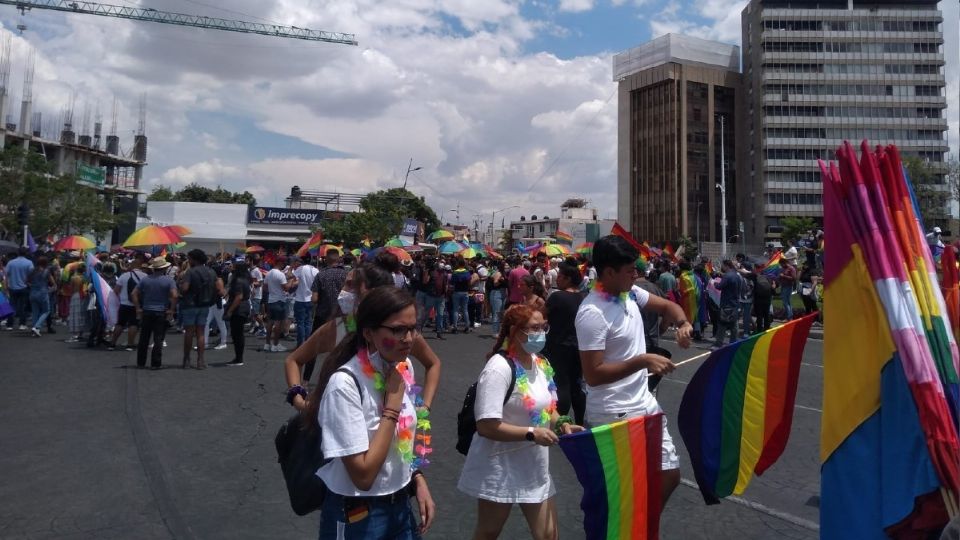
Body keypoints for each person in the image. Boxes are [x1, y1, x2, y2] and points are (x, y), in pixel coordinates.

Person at [575, 235, 692, 518]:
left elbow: (668, 307)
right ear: (609, 273)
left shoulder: (631, 294)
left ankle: (639, 526)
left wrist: (683, 323)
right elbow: (593, 374)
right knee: (620, 492)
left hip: (645, 403)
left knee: (669, 475)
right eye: (630, 270)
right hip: (614, 412)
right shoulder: (592, 313)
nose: (636, 275)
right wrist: (642, 361)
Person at [306, 286, 437, 539]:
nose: (409, 338)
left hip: (399, 504)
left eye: (413, 328)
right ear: (368, 333)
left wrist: (417, 478)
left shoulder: (402, 366)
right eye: (398, 330)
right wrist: (391, 409)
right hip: (359, 514)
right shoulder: (344, 384)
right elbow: (363, 476)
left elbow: (402, 439)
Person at [459, 304, 582, 540]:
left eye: (543, 327)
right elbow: (486, 425)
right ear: (515, 331)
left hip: (534, 465)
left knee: (548, 534)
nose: (541, 333)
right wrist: (530, 433)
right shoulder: (498, 368)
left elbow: (548, 409)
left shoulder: (541, 363)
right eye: (534, 328)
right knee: (488, 532)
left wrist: (562, 424)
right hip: (499, 466)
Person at [284, 263, 441, 411]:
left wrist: (425, 406)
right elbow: (294, 360)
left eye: (351, 285)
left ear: (374, 292)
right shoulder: (339, 328)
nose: (343, 290)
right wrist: (298, 400)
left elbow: (433, 363)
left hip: (395, 426)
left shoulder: (401, 332)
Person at [543, 262, 586, 425]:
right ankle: (580, 421)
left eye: (560, 276)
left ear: (568, 279)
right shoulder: (584, 297)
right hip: (579, 346)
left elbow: (542, 315)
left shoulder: (557, 297)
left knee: (561, 383)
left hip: (558, 344)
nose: (557, 279)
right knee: (577, 383)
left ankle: (561, 422)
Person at [132, 257, 178, 370]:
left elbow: (134, 293)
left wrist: (138, 307)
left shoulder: (145, 280)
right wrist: (171, 309)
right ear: (164, 268)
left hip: (147, 310)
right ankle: (156, 363)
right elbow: (175, 295)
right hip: (161, 311)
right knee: (158, 339)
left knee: (144, 338)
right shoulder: (169, 281)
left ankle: (141, 362)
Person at [179, 249, 218, 369]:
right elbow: (217, 287)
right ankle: (200, 360)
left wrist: (179, 284)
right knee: (201, 333)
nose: (188, 261)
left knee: (189, 333)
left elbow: (185, 289)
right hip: (205, 304)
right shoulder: (211, 272)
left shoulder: (190, 272)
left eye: (189, 259)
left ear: (194, 259)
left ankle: (186, 359)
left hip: (190, 304)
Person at [111, 253, 147, 351]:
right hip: (137, 305)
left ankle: (112, 343)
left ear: (131, 266)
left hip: (124, 303)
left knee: (120, 324)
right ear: (140, 266)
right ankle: (130, 344)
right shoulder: (145, 276)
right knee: (133, 324)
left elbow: (116, 290)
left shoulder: (124, 276)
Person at [224, 261, 251, 366]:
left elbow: (238, 297)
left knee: (237, 334)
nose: (231, 268)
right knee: (237, 334)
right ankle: (238, 358)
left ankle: (239, 359)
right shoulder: (245, 279)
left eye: (233, 267)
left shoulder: (238, 281)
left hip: (239, 309)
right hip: (243, 307)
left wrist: (230, 311)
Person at [263, 258, 291, 353]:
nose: (284, 264)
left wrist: (273, 291)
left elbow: (265, 287)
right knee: (278, 324)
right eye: (283, 262)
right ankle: (275, 344)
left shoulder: (269, 273)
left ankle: (267, 344)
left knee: (270, 323)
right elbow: (286, 288)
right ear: (279, 262)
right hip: (279, 300)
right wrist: (291, 280)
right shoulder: (280, 274)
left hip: (271, 300)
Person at [714, 260, 743, 348]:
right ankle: (733, 342)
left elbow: (719, 286)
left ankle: (719, 343)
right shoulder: (737, 275)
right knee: (734, 324)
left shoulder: (727, 276)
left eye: (723, 266)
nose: (722, 268)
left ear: (727, 266)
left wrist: (715, 283)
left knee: (722, 324)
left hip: (726, 303)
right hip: (735, 303)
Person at [4, 247, 34, 330]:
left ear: (18, 253)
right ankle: (22, 324)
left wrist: (6, 286)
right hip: (24, 287)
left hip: (12, 287)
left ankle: (9, 325)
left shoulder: (11, 262)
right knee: (22, 307)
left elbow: (6, 275)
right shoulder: (29, 263)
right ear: (26, 253)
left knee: (11, 306)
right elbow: (32, 274)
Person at [418, 257, 448, 339]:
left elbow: (446, 284)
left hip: (440, 296)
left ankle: (439, 332)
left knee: (440, 315)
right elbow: (425, 281)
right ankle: (419, 329)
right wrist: (426, 271)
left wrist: (445, 294)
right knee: (426, 313)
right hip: (431, 296)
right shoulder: (431, 272)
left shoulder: (444, 274)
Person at [201, 262, 229, 351]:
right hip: (212, 304)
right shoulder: (213, 279)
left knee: (220, 323)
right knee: (205, 322)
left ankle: (223, 342)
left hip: (217, 304)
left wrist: (212, 290)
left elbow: (222, 293)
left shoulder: (218, 280)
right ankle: (204, 343)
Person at [27, 255, 55, 337]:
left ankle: (35, 329)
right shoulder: (47, 271)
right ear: (46, 263)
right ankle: (37, 327)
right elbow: (53, 283)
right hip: (43, 293)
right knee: (46, 311)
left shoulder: (32, 271)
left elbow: (26, 281)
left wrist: (32, 286)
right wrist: (51, 290)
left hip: (33, 293)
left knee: (35, 312)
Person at [450, 256, 474, 333]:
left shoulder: (455, 272)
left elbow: (452, 283)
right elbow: (470, 283)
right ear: (464, 264)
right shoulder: (467, 273)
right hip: (465, 292)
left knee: (455, 310)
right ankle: (467, 326)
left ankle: (455, 327)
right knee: (465, 310)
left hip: (456, 292)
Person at [66, 263, 88, 343]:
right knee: (82, 314)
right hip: (83, 296)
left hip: (75, 295)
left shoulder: (73, 278)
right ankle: (81, 333)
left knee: (74, 314)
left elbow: (71, 288)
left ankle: (75, 334)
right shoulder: (84, 278)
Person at [488, 260, 508, 335]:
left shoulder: (505, 274)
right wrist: (501, 280)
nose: (507, 267)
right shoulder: (498, 273)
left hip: (503, 293)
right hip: (496, 293)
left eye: (508, 266)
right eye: (506, 266)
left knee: (501, 313)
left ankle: (498, 330)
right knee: (497, 312)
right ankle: (495, 332)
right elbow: (495, 284)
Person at [753, 268, 774, 333]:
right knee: (766, 314)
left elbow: (753, 289)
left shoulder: (756, 278)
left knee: (759, 315)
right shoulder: (769, 279)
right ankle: (766, 328)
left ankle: (759, 330)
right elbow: (773, 288)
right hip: (767, 299)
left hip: (758, 299)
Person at [778, 251, 798, 321]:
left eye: (781, 264)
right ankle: (790, 316)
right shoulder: (783, 268)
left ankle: (789, 317)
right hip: (783, 286)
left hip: (788, 286)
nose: (781, 265)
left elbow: (794, 278)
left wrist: (784, 276)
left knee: (785, 302)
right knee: (787, 302)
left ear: (784, 263)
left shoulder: (791, 268)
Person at [738, 262, 756, 339]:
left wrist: (746, 295)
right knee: (742, 316)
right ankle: (744, 331)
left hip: (746, 300)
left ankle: (746, 332)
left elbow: (752, 289)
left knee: (745, 317)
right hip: (742, 299)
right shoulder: (743, 275)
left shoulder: (750, 276)